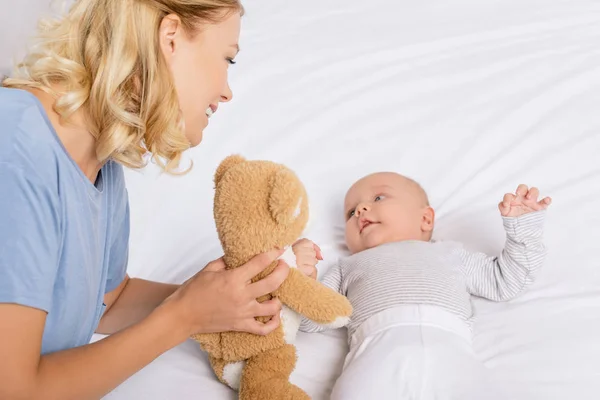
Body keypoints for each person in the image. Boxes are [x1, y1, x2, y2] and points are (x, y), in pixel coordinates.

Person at [0, 1, 317, 398]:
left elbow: (108, 301)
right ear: (170, 38)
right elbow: (14, 389)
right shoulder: (14, 149)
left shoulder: (103, 165)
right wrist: (183, 317)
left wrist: (220, 297)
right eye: (227, 59)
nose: (226, 90)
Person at [295, 172, 551, 399]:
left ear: (426, 219)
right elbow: (312, 320)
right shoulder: (346, 266)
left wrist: (522, 231)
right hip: (375, 355)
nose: (360, 209)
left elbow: (506, 281)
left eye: (379, 198)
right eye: (350, 212)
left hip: (452, 356)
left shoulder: (451, 253)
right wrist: (302, 278)